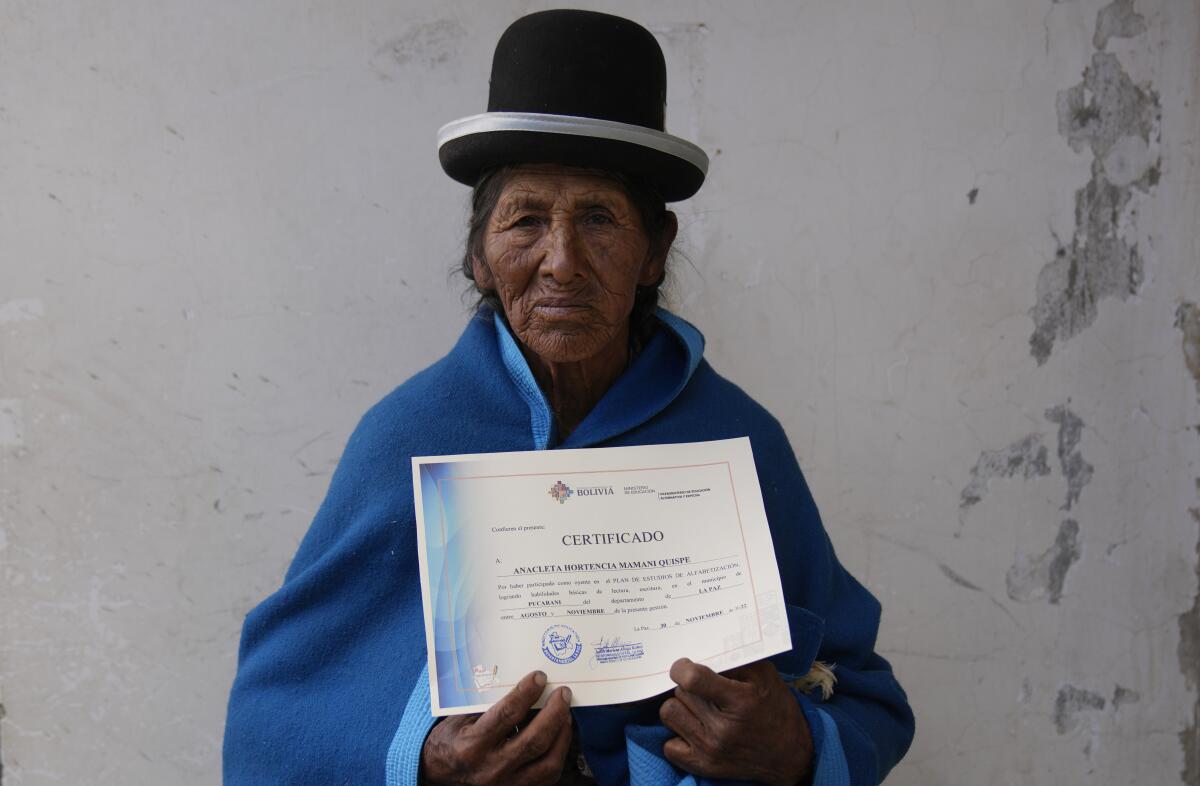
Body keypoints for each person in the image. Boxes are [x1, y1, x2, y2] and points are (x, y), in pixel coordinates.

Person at [223, 10, 914, 786]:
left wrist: (797, 748)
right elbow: (272, 719)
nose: (561, 262)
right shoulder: (407, 437)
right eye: (526, 219)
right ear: (480, 256)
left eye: (597, 218)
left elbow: (864, 695)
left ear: (655, 250)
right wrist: (423, 759)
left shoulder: (736, 441)